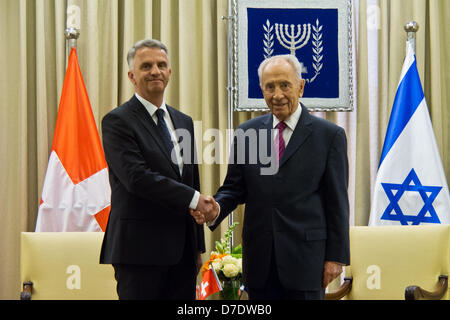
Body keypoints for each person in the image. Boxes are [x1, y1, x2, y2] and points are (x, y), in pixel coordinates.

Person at [192, 54, 350, 300]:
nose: (277, 94)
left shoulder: (329, 136)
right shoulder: (247, 133)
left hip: (307, 262)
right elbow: (234, 188)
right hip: (260, 264)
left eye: (284, 85)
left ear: (301, 86)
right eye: (269, 87)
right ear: (262, 90)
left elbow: (337, 202)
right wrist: (216, 208)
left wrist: (336, 257)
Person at [100, 39, 215, 300]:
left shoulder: (183, 121)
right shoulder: (117, 121)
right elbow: (136, 178)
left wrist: (197, 247)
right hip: (139, 252)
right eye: (146, 66)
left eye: (162, 65)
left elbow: (191, 181)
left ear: (170, 73)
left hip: (182, 254)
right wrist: (196, 199)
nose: (155, 71)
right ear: (132, 76)